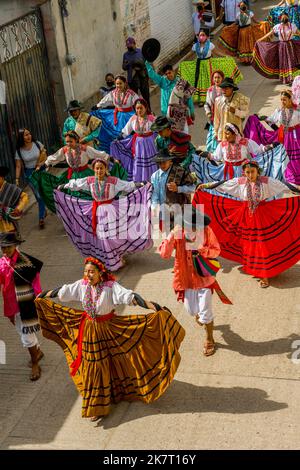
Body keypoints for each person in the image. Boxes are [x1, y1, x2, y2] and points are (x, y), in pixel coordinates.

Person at [35, 256, 185, 420]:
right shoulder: (82, 285)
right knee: (95, 365)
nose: (88, 275)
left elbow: (132, 297)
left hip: (109, 328)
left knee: (112, 361)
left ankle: (111, 393)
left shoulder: (110, 288)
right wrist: (42, 295)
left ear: (101, 273)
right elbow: (62, 291)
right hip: (89, 330)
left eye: (92, 272)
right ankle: (96, 406)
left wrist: (155, 306)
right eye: (86, 272)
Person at [194, 160, 300, 288]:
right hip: (245, 216)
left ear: (257, 171)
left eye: (253, 172)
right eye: (247, 172)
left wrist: (298, 189)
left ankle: (265, 275)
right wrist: (206, 186)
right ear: (244, 172)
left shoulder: (266, 181)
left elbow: (284, 186)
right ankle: (256, 268)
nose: (250, 175)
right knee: (249, 244)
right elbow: (223, 184)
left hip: (262, 215)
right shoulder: (240, 182)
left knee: (261, 244)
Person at [55, 156, 153, 271]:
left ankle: (116, 257)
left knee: (112, 236)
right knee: (103, 237)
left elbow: (127, 186)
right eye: (96, 169)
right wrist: (63, 186)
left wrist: (140, 184)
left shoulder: (113, 181)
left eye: (101, 168)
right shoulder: (90, 181)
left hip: (111, 210)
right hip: (96, 211)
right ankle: (111, 261)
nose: (99, 171)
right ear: (93, 169)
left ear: (106, 169)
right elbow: (76, 184)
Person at [159, 205, 232, 356]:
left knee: (206, 313)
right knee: (192, 311)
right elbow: (165, 254)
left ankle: (209, 339)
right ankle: (202, 317)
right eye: (190, 225)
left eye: (195, 225)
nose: (193, 228)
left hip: (204, 279)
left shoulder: (206, 231)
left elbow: (216, 250)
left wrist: (200, 248)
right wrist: (171, 235)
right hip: (185, 279)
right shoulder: (177, 233)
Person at [30, 131, 112, 213]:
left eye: (70, 141)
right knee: (73, 198)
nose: (68, 144)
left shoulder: (85, 149)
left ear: (76, 140)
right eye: (67, 141)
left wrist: (112, 159)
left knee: (90, 195)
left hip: (85, 174)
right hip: (72, 176)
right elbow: (54, 158)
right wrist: (43, 166)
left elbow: (100, 154)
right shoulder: (65, 150)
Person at [0, 232, 44, 381]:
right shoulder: (2, 262)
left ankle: (35, 363)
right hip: (11, 304)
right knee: (22, 331)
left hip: (25, 304)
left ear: (16, 245)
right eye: (3, 247)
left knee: (26, 335)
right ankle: (38, 351)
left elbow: (36, 284)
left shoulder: (26, 262)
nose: (5, 250)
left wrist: (37, 300)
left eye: (8, 247)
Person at [193, 123, 288, 184]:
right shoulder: (222, 144)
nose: (225, 136)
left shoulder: (245, 142)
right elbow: (216, 157)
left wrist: (271, 146)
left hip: (244, 171)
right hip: (226, 172)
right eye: (224, 134)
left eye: (227, 134)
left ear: (234, 133)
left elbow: (259, 150)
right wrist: (206, 154)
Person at [244, 89, 300, 184]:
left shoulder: (297, 111)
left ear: (290, 99)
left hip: (296, 136)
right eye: (281, 99)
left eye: (285, 99)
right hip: (286, 137)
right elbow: (271, 120)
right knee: (287, 156)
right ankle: (291, 176)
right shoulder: (279, 111)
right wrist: (260, 118)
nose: (282, 102)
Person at [178, 28, 243, 106]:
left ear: (207, 37)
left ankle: (211, 97)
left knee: (209, 80)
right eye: (199, 35)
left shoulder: (210, 45)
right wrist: (183, 63)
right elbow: (190, 55)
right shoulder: (195, 46)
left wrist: (226, 56)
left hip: (208, 65)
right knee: (200, 82)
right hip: (199, 65)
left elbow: (217, 52)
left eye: (203, 35)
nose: (201, 37)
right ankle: (202, 99)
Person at [110, 98, 157, 182]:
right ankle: (140, 182)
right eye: (137, 108)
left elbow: (159, 131)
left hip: (150, 144)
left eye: (141, 108)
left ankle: (152, 181)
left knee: (150, 162)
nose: (139, 110)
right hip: (138, 144)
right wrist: (117, 140)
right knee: (138, 162)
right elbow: (125, 132)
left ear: (146, 108)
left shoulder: (152, 119)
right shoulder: (133, 119)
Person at [151, 149, 196, 232]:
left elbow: (193, 188)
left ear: (170, 161)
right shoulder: (155, 176)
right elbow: (155, 194)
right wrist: (154, 206)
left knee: (181, 238)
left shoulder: (180, 172)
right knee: (169, 239)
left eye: (164, 161)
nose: (162, 165)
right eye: (159, 162)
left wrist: (178, 189)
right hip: (165, 213)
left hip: (181, 211)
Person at [94, 75, 139, 153]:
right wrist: (97, 106)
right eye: (117, 84)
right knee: (112, 135)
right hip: (116, 115)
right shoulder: (113, 93)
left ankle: (128, 151)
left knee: (126, 134)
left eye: (120, 83)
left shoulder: (131, 94)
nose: (118, 85)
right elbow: (105, 100)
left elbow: (138, 103)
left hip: (128, 116)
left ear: (125, 83)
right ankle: (115, 152)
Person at [252, 13, 300, 84]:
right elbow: (269, 33)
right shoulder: (283, 26)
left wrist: (260, 39)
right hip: (286, 46)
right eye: (284, 18)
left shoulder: (287, 26)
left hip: (286, 46)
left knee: (288, 61)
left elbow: (298, 33)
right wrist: (260, 39)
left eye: (285, 18)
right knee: (287, 61)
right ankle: (288, 78)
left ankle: (290, 78)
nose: (284, 20)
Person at [15, 128, 47, 229]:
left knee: (43, 193)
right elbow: (18, 166)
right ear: (21, 137)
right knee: (38, 195)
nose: (28, 136)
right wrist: (16, 179)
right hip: (29, 173)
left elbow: (45, 156)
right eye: (25, 135)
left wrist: (40, 164)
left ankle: (41, 215)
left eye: (29, 134)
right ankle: (42, 213)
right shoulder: (19, 151)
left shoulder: (37, 144)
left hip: (41, 170)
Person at [214, 76, 250, 142]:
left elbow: (245, 114)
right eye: (222, 88)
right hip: (223, 134)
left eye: (226, 88)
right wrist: (216, 132)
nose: (224, 90)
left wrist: (235, 111)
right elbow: (216, 118)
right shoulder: (218, 100)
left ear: (232, 88)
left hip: (236, 134)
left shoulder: (241, 98)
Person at [122, 37, 150, 107]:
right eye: (127, 45)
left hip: (142, 77)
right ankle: (137, 114)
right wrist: (128, 64)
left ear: (134, 44)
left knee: (146, 97)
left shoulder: (141, 52)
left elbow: (147, 63)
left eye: (130, 44)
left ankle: (149, 113)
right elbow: (124, 67)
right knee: (134, 99)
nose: (129, 46)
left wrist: (140, 65)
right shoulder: (125, 55)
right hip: (132, 79)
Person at [0, 166, 29, 235]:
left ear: (2, 177)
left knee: (10, 244)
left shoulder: (11, 188)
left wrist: (18, 208)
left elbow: (25, 196)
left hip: (9, 225)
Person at [204, 70, 224, 152]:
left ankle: (222, 152)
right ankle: (214, 153)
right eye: (215, 78)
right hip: (213, 117)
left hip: (223, 116)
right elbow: (206, 104)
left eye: (218, 77)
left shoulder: (225, 89)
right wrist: (208, 113)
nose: (216, 80)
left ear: (222, 78)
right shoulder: (210, 90)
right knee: (213, 135)